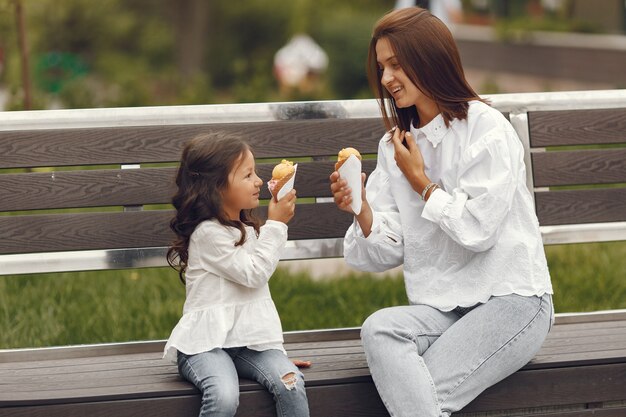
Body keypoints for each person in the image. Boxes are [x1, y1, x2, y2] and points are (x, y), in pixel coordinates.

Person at [329, 7, 554, 417]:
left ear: (430, 59)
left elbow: (478, 230)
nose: (386, 79)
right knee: (379, 329)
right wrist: (360, 209)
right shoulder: (393, 145)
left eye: (396, 65)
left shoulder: (486, 128)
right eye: (382, 67)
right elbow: (383, 252)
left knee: (415, 393)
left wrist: (422, 184)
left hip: (511, 300)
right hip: (443, 310)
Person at [163, 132, 310, 417]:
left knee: (290, 382)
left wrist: (276, 356)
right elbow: (254, 274)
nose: (258, 181)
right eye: (248, 175)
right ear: (215, 186)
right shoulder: (207, 234)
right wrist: (277, 224)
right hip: (204, 346)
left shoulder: (250, 230)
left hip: (247, 345)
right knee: (224, 394)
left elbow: (254, 298)